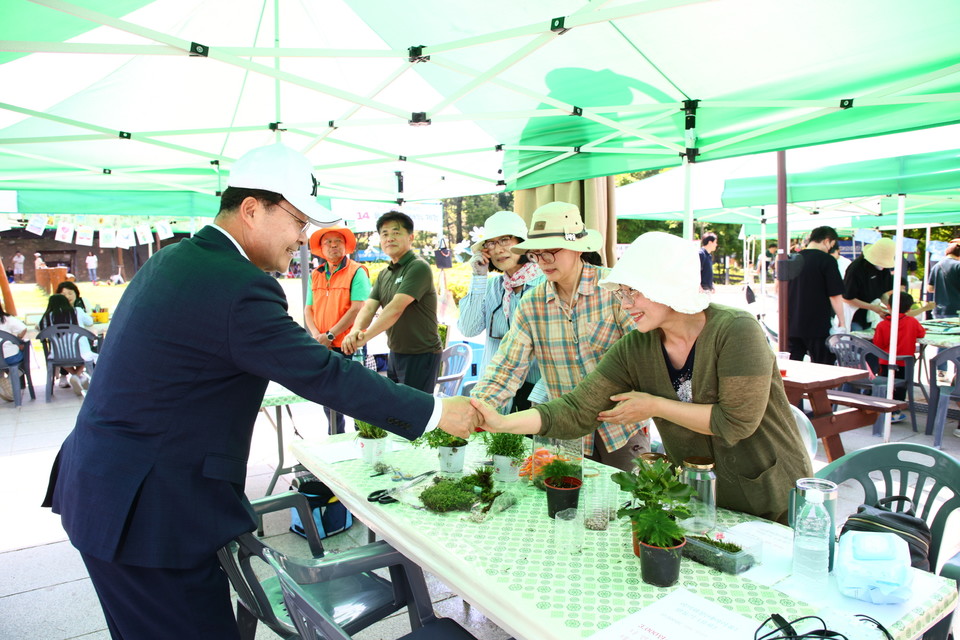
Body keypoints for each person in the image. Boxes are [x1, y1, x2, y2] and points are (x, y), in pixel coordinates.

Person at [41, 142, 477, 640]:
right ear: (252, 209)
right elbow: (323, 374)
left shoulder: (178, 258)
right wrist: (436, 412)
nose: (303, 237)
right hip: (149, 512)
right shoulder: (236, 283)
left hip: (110, 491)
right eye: (298, 221)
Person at [472, 231, 812, 523]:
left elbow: (736, 422)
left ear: (666, 286)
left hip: (773, 497)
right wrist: (501, 422)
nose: (625, 303)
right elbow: (577, 409)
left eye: (633, 292)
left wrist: (654, 405)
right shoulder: (637, 346)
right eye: (621, 293)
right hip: (699, 499)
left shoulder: (736, 330)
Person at [471, 201, 650, 471]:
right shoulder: (532, 304)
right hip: (568, 432)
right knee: (569, 494)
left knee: (631, 494)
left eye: (551, 251)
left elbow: (648, 355)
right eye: (536, 254)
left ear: (578, 248)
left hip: (621, 428)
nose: (543, 261)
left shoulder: (614, 288)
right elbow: (507, 366)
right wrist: (474, 407)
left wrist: (648, 401)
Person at [342, 211, 442, 394]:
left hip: (421, 355)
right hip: (396, 352)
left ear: (410, 237)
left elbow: (395, 308)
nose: (390, 238)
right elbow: (369, 307)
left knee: (414, 409)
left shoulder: (418, 267)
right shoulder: (385, 274)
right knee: (397, 407)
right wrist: (356, 330)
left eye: (396, 232)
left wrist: (365, 336)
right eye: (385, 234)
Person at [457, 210, 543, 412]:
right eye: (491, 243)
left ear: (522, 243)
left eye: (505, 240)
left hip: (537, 394)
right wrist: (478, 277)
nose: (498, 249)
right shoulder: (492, 287)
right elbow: (468, 329)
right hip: (495, 394)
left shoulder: (545, 284)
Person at [304, 225, 371, 433]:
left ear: (345, 246)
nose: (333, 246)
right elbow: (308, 309)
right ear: (321, 249)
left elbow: (357, 307)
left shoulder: (357, 271)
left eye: (338, 242)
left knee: (357, 396)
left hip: (349, 345)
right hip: (324, 346)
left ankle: (364, 438)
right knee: (329, 399)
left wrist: (330, 334)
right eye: (328, 242)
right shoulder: (315, 274)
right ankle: (335, 437)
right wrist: (318, 336)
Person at [786, 226, 847, 365]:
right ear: (827, 241)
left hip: (792, 323)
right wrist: (842, 321)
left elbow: (780, 289)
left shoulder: (791, 259)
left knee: (791, 367)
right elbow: (835, 295)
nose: (830, 248)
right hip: (817, 325)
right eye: (832, 245)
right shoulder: (827, 260)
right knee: (823, 367)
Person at [872, 291, 924, 424]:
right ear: (909, 308)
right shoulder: (912, 322)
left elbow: (878, 345)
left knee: (884, 385)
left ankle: (883, 409)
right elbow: (921, 333)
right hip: (905, 362)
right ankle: (896, 411)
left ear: (888, 306)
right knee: (901, 387)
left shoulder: (882, 325)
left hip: (886, 361)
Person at [37, 294, 94, 395]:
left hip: (59, 355)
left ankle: (75, 376)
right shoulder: (77, 311)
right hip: (81, 351)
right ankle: (78, 376)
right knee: (87, 356)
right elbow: (90, 322)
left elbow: (40, 328)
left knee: (60, 359)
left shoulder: (48, 316)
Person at [843, 237, 896, 331]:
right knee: (858, 337)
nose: (883, 266)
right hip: (854, 315)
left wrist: (890, 307)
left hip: (871, 316)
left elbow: (883, 294)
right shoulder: (856, 269)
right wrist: (872, 307)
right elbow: (847, 298)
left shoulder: (884, 271)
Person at [927, 239, 960, 319]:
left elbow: (930, 288)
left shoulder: (936, 266)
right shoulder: (958, 265)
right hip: (956, 309)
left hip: (938, 310)